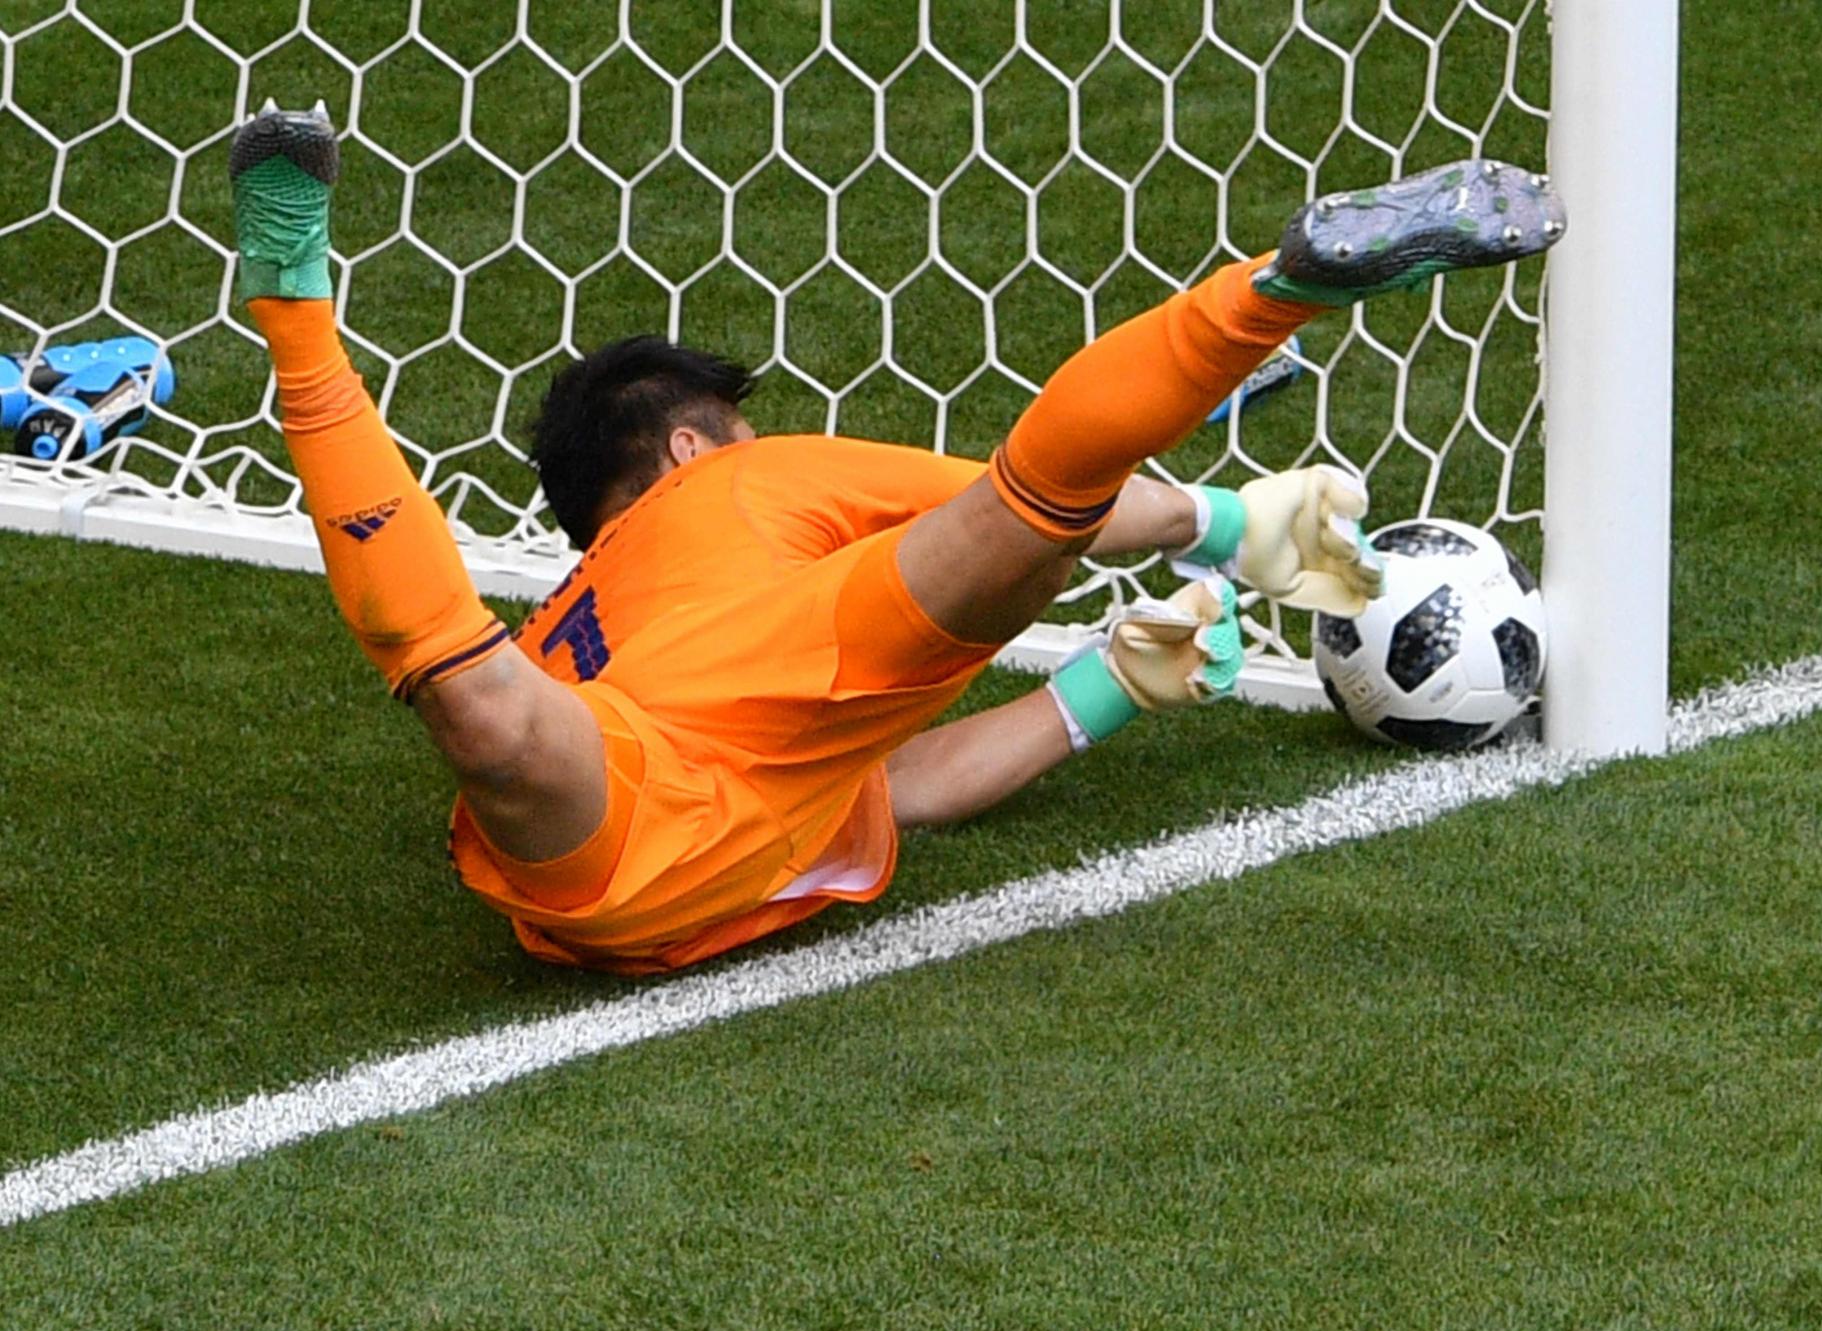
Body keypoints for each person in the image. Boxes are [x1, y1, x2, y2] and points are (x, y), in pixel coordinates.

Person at [226, 102, 1565, 974]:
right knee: (1033, 498)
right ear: (689, 449)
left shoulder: (571, 619)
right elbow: (1035, 499)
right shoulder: (743, 490)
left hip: (630, 833)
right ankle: (1269, 290)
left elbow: (896, 789)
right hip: (697, 740)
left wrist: (1104, 687)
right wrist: (1233, 523)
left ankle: (296, 312)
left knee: (484, 704)